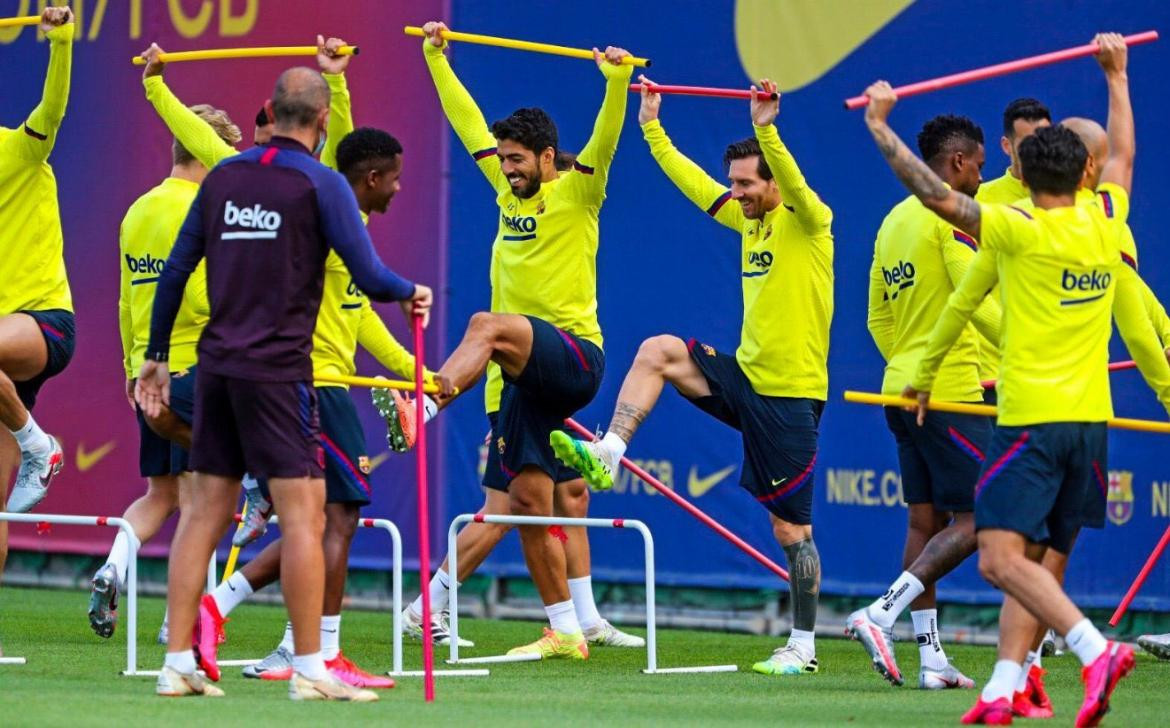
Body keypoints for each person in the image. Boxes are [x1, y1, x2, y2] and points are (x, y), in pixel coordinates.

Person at [862, 33, 1170, 726]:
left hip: (1029, 422)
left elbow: (937, 194)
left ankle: (1094, 649)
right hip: (1091, 427)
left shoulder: (1013, 231)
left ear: (1024, 178)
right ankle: (1008, 686)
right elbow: (1124, 154)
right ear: (1087, 176)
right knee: (1037, 561)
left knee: (1000, 560)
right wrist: (1117, 76)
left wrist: (881, 126)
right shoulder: (1107, 220)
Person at [137, 64, 432, 701]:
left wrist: (156, 356)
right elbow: (370, 273)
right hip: (278, 375)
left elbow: (176, 269)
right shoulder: (321, 184)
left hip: (215, 368)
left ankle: (176, 664)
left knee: (203, 515)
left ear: (271, 110)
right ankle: (309, 669)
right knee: (303, 517)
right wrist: (413, 292)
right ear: (323, 121)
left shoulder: (222, 176)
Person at [552, 76, 833, 676]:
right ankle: (610, 451)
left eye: (748, 184)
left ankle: (803, 646)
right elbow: (696, 187)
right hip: (746, 378)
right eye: (735, 184)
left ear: (775, 182)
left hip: (791, 397)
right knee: (658, 350)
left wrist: (766, 129)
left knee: (791, 529)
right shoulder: (749, 222)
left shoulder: (810, 223)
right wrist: (652, 127)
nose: (737, 195)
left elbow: (797, 185)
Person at [388, 21, 638, 661]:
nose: (510, 171)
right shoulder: (505, 190)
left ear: (550, 158)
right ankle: (565, 629)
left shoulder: (581, 189)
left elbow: (606, 139)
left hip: (575, 357)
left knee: (485, 324)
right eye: (503, 161)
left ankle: (426, 403)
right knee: (526, 500)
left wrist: (615, 83)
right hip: (515, 376)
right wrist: (436, 58)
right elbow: (467, 123)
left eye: (519, 161)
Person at [848, 114, 998, 690]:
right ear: (957, 163)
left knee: (925, 520)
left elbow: (876, 317)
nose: (982, 177)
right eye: (980, 166)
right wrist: (1024, 344)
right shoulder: (946, 211)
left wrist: (908, 365)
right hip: (950, 390)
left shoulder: (891, 222)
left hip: (899, 389)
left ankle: (932, 660)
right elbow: (973, 297)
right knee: (983, 517)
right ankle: (881, 612)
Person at [88, 91, 242, 639]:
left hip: (150, 375)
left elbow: (128, 299)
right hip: (199, 370)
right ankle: (183, 621)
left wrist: (133, 369)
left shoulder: (138, 209)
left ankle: (113, 567)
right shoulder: (205, 208)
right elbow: (202, 297)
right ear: (208, 150)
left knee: (164, 494)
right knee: (210, 494)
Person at [0, 6, 75, 522]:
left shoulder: (20, 150)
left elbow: (52, 109)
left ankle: (38, 446)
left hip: (44, 325)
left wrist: (61, 42)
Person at [971, 98, 1052, 399]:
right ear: (1007, 146)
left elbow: (1123, 276)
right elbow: (966, 293)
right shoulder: (978, 200)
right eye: (1027, 144)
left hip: (1055, 369)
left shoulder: (1070, 198)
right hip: (997, 374)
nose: (1037, 152)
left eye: (1043, 141)